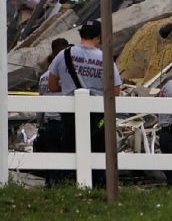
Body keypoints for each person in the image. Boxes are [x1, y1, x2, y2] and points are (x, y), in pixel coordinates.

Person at [47, 19, 122, 188]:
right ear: (99, 37)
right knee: (98, 149)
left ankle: (65, 185)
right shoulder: (105, 59)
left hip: (69, 114)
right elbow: (116, 91)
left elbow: (52, 86)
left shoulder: (63, 55)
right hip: (97, 115)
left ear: (80, 34)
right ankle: (97, 185)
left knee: (69, 148)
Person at [34, 38, 70, 186]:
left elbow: (40, 103)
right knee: (67, 157)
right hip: (65, 122)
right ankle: (64, 185)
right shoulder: (67, 75)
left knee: (52, 157)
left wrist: (40, 125)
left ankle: (51, 184)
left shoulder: (43, 77)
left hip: (49, 123)